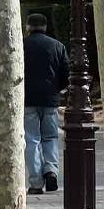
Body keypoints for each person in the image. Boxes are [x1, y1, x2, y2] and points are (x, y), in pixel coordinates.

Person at [24, 13, 68, 195]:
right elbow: (66, 74)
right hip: (50, 100)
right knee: (50, 137)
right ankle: (51, 170)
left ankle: (36, 182)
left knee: (32, 139)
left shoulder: (22, 45)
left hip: (27, 100)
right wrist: (57, 90)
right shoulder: (57, 46)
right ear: (45, 27)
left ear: (27, 27)